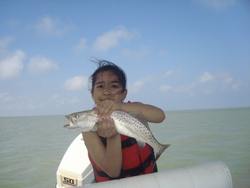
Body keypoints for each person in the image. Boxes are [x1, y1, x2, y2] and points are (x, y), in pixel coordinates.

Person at [82, 60, 165, 182]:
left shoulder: (132, 108)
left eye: (114, 86)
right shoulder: (89, 127)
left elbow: (160, 116)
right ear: (92, 94)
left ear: (124, 94)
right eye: (100, 86)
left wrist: (120, 106)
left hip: (147, 180)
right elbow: (113, 172)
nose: (106, 92)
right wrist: (112, 137)